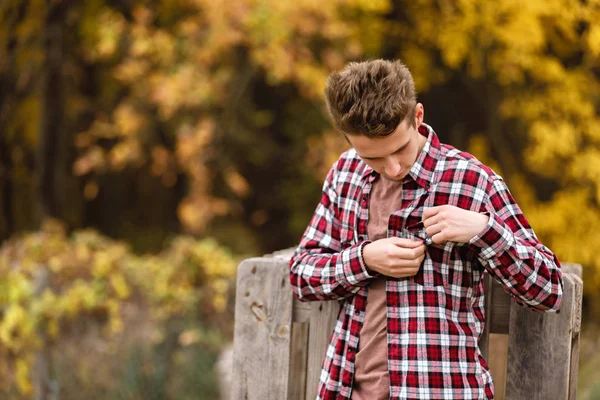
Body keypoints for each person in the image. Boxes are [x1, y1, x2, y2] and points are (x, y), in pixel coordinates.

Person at [289, 59, 563, 400]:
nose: (392, 167)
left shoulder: (471, 180)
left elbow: (548, 289)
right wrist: (364, 260)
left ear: (417, 116)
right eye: (373, 157)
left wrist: (483, 230)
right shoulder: (344, 174)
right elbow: (301, 274)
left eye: (400, 148)